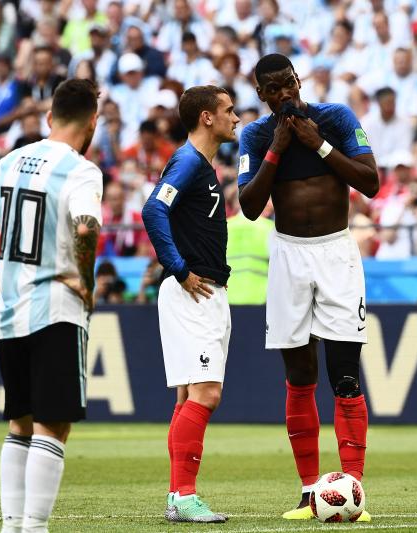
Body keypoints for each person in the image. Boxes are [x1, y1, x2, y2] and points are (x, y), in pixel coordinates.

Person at [237, 53, 379, 522]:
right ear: (260, 94)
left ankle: (353, 489)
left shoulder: (335, 118)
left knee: (344, 374)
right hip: (288, 255)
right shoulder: (256, 135)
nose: (283, 94)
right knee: (300, 376)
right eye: (272, 89)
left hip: (337, 253)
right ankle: (307, 494)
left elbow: (371, 182)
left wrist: (318, 146)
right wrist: (278, 149)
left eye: (287, 84)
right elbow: (252, 207)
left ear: (298, 80)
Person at [0, 79, 103, 533]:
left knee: (18, 423)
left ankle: (11, 526)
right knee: (52, 427)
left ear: (49, 117)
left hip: (11, 310)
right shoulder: (81, 171)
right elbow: (85, 229)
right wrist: (86, 281)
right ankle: (35, 527)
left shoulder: (8, 162)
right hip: (55, 309)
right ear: (92, 122)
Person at [141, 85, 239, 523]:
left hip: (208, 291)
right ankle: (183, 495)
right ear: (206, 117)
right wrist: (179, 268)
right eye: (229, 111)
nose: (235, 118)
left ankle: (176, 496)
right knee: (206, 393)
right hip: (191, 291)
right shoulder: (186, 162)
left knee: (188, 395)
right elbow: (152, 211)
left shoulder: (201, 165)